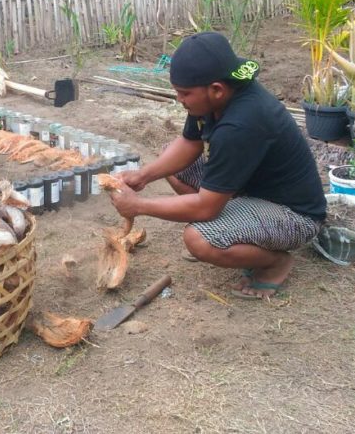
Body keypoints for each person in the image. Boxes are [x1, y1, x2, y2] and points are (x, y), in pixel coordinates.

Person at [109, 32, 326, 299]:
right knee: (171, 160)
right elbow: (190, 143)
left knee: (198, 240)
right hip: (249, 192)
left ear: (216, 89)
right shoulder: (213, 98)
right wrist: (144, 176)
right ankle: (229, 232)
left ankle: (275, 263)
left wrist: (139, 206)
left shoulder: (240, 124)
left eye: (184, 93)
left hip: (294, 215)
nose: (179, 99)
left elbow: (206, 206)